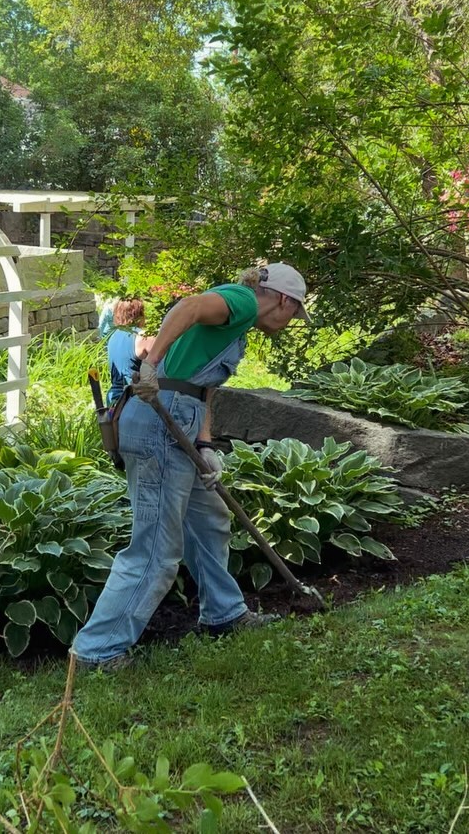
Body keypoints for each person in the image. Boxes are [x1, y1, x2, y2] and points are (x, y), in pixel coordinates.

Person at [71, 262, 310, 670]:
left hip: (182, 417)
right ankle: (97, 650)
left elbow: (202, 390)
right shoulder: (242, 302)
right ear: (284, 301)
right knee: (156, 548)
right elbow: (190, 306)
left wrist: (205, 444)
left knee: (209, 519)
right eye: (295, 313)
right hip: (159, 419)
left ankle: (224, 613)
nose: (292, 322)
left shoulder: (237, 326)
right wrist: (150, 364)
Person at [106, 297, 155, 405]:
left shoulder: (113, 337)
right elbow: (162, 366)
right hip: (134, 400)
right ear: (139, 312)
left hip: (113, 400)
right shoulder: (142, 336)